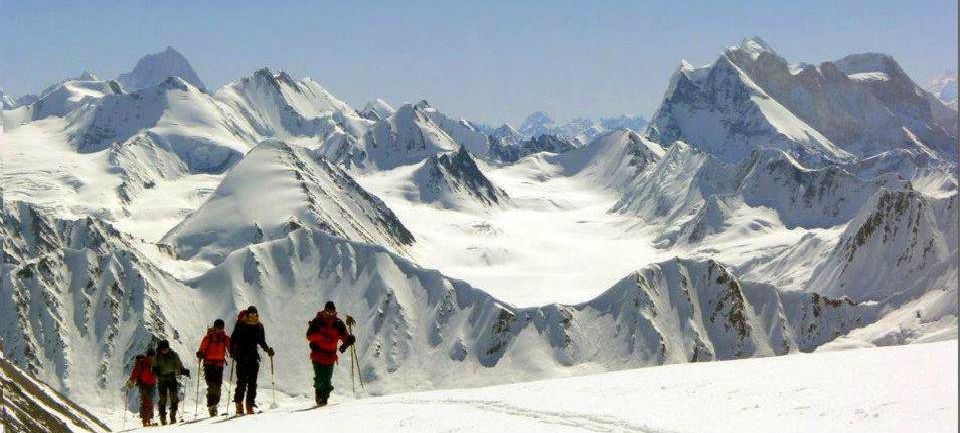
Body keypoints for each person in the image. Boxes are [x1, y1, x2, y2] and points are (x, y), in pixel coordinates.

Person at [306, 301, 355, 406]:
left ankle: (324, 400)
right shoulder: (318, 321)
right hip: (318, 354)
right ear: (324, 311)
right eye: (328, 312)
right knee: (320, 378)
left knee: (327, 380)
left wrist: (349, 339)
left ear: (334, 312)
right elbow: (309, 336)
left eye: (332, 313)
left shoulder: (338, 323)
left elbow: (344, 337)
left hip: (331, 356)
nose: (330, 315)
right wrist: (323, 336)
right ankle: (319, 396)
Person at [230, 306, 274, 415]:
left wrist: (268, 350)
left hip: (253, 357)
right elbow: (233, 339)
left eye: (255, 315)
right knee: (242, 383)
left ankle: (249, 405)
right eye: (251, 315)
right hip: (241, 357)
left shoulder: (259, 326)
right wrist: (232, 352)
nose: (253, 317)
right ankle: (239, 403)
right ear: (247, 315)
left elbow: (261, 341)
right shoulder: (241, 325)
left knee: (252, 384)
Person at [151, 339, 190, 425]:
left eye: (166, 348)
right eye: (163, 349)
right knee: (163, 399)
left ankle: (173, 416)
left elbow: (179, 366)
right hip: (162, 380)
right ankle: (163, 417)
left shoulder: (173, 355)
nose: (165, 350)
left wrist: (184, 371)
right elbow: (153, 369)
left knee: (174, 398)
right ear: (160, 349)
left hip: (171, 378)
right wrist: (155, 371)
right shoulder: (156, 357)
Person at [197, 319, 230, 416]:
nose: (220, 329)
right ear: (215, 328)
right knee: (212, 386)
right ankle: (212, 407)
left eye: (221, 328)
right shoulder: (209, 338)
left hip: (219, 365)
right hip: (209, 364)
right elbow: (202, 348)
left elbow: (230, 347)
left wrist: (233, 352)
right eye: (218, 328)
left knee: (218, 386)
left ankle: (214, 404)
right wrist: (200, 354)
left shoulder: (225, 338)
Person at [127, 348, 157, 427]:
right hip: (144, 384)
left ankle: (147, 420)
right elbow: (136, 371)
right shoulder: (143, 362)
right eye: (151, 356)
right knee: (146, 401)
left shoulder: (154, 362)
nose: (152, 357)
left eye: (153, 356)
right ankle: (145, 420)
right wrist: (132, 380)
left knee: (148, 401)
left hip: (151, 384)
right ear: (148, 355)